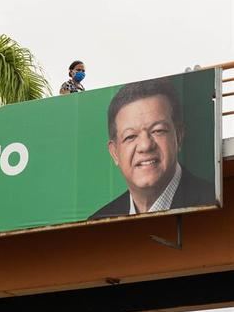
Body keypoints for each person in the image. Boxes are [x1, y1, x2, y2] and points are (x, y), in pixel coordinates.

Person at [89, 77, 214, 220]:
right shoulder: (99, 221)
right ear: (114, 153)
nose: (145, 146)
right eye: (130, 136)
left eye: (158, 130)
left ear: (178, 136)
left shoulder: (210, 198)